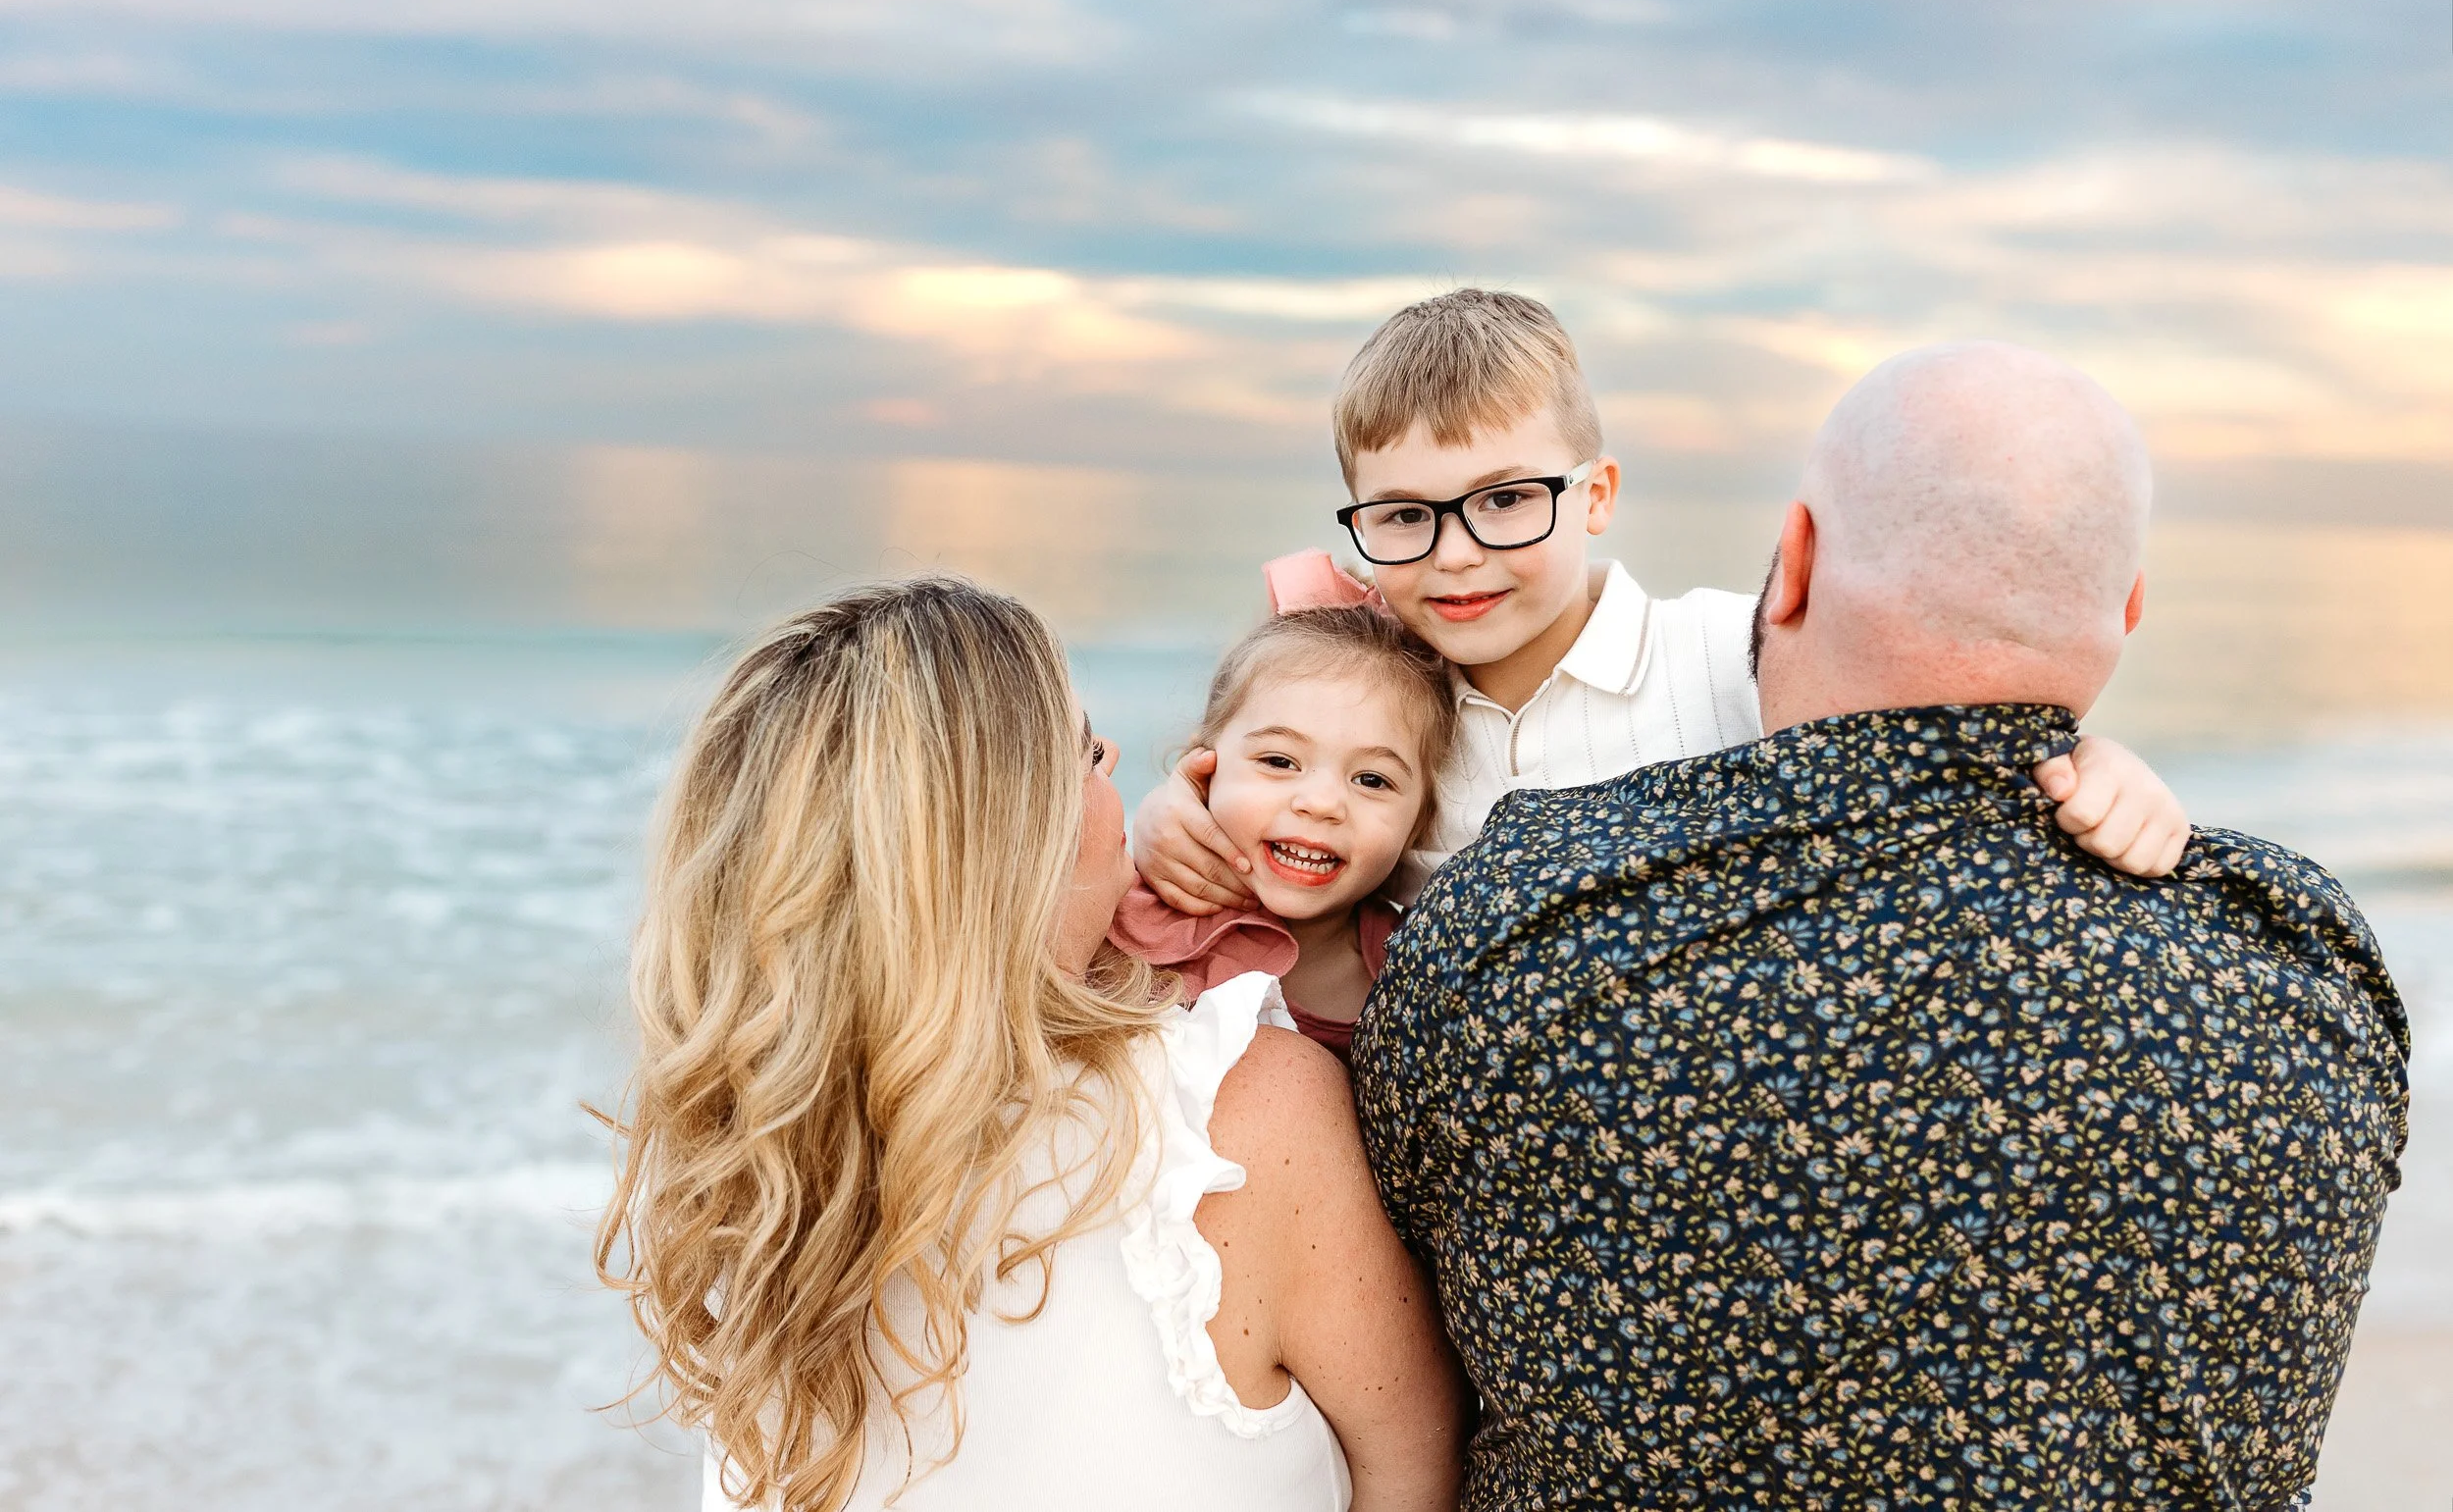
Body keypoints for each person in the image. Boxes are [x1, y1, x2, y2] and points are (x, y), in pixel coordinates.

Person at [1351, 342, 2412, 1510]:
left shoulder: (1510, 922)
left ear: (1791, 565)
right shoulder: (2303, 961)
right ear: (2129, 611)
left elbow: (1395, 1262)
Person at [594, 578, 1465, 1512]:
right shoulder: (1235, 1113)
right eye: (1087, 751)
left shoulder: (743, 1161)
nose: (1122, 762)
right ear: (1010, 834)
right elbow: (1415, 1460)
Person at [1133, 289, 2193, 920]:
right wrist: (1172, 819)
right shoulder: (1356, 701)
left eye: (1506, 500)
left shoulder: (1733, 656)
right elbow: (1267, 803)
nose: (1456, 557)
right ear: (1358, 518)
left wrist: (2100, 769)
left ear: (1595, 495)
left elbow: (1934, 754)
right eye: (1406, 514)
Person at [1109, 605, 1456, 1058]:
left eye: (1372, 780)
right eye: (1279, 761)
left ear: (1419, 824)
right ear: (1203, 770)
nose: (1321, 803)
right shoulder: (1116, 917)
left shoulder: (1417, 977)